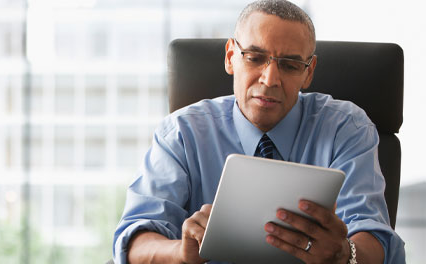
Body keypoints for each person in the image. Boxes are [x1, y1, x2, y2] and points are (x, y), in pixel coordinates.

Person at [113, 0, 406, 263]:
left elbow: (373, 236)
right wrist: (181, 252)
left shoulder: (347, 128)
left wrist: (344, 254)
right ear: (230, 57)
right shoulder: (181, 132)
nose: (269, 80)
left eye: (290, 65)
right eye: (254, 57)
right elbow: (134, 243)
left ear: (308, 71)